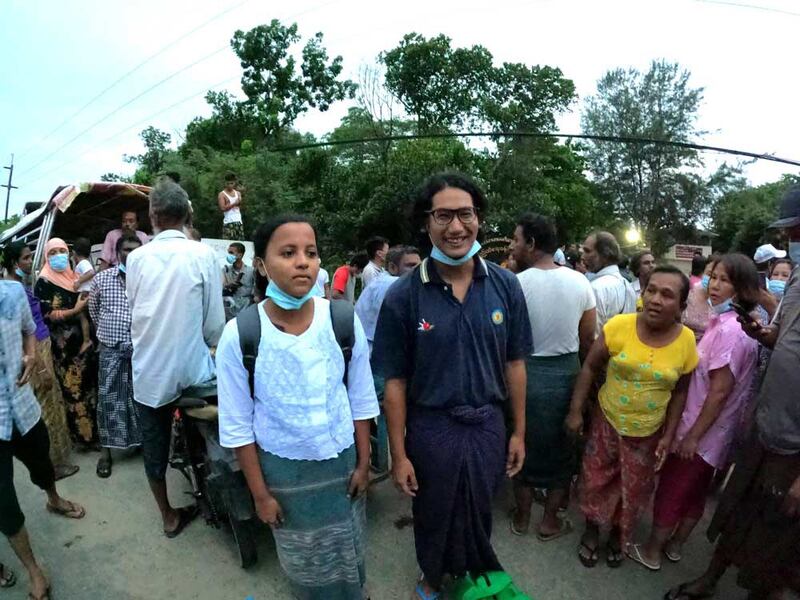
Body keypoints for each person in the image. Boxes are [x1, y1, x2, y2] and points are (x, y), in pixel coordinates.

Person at [373, 173, 532, 599]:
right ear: (426, 224)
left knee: (480, 508)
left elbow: (515, 363)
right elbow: (395, 382)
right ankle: (432, 577)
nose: (456, 227)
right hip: (431, 431)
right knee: (432, 510)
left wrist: (518, 431)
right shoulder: (403, 295)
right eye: (443, 216)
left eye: (465, 214)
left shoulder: (505, 285)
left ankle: (471, 574)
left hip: (487, 426)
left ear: (479, 219)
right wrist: (399, 454)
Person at [217, 215, 379, 599]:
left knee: (348, 545)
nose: (302, 262)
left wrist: (363, 462)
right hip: (284, 476)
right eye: (287, 253)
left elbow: (360, 399)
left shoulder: (340, 320)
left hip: (341, 465)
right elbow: (239, 427)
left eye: (311, 252)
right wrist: (261, 495)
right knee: (304, 558)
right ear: (261, 264)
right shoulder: (240, 335)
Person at [664, 185, 800, 600]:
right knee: (736, 509)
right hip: (765, 427)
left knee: (775, 533)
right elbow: (786, 338)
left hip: (795, 447)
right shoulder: (796, 282)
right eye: (792, 233)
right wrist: (766, 333)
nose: (792, 242)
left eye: (797, 232)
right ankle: (709, 579)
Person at [629, 254, 759, 572]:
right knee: (694, 493)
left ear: (742, 287)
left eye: (725, 280)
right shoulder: (730, 324)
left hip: (700, 433)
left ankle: (652, 550)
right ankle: (675, 544)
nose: (715, 285)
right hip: (714, 434)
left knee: (674, 490)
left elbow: (719, 392)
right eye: (713, 277)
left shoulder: (732, 332)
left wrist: (692, 437)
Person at [565, 266, 698, 569]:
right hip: (607, 421)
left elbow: (680, 392)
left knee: (633, 488)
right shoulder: (618, 326)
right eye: (651, 290)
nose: (655, 299)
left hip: (648, 432)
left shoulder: (687, 341)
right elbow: (589, 367)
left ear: (681, 306)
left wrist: (668, 435)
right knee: (595, 479)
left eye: (667, 295)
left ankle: (615, 534)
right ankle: (590, 531)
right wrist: (575, 411)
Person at [127, 180, 225, 537]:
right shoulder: (203, 255)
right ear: (188, 215)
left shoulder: (135, 259)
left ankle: (168, 516)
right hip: (194, 373)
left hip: (150, 374)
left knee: (154, 449)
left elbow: (137, 312)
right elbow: (215, 326)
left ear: (152, 217)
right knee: (217, 424)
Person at [509, 213, 596, 540]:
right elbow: (587, 340)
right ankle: (549, 522)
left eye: (517, 240)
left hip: (524, 375)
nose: (513, 247)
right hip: (566, 376)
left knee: (521, 440)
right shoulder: (580, 282)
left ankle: (521, 517)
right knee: (563, 449)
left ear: (532, 244)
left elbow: (504, 340)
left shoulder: (516, 284)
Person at [1, 278, 86, 600]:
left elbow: (27, 330)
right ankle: (35, 571)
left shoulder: (11, 293)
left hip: (22, 406)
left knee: (42, 462)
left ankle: (54, 499)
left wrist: (31, 356)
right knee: (3, 502)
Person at [2, 243, 77, 480]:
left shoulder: (18, 286)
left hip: (41, 345)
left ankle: (55, 461)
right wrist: (40, 364)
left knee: (51, 402)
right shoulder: (12, 291)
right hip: (37, 353)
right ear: (14, 262)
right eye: (25, 258)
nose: (29, 262)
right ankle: (52, 465)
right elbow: (22, 331)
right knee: (46, 406)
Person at [88, 231, 143, 478]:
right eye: (126, 250)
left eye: (135, 250)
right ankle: (106, 454)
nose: (130, 255)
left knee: (139, 399)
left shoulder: (147, 279)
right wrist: (110, 335)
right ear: (117, 252)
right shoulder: (103, 279)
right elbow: (94, 309)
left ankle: (142, 444)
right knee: (108, 400)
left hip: (141, 351)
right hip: (111, 350)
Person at [34, 238, 98, 449]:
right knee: (73, 391)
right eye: (54, 252)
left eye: (63, 251)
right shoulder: (44, 282)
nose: (59, 256)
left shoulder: (72, 276)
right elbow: (48, 315)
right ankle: (81, 438)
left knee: (89, 388)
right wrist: (75, 311)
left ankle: (94, 436)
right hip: (64, 349)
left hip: (84, 344)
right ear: (46, 256)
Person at [355, 245, 421, 351]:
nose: (417, 270)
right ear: (392, 268)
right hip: (376, 350)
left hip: (365, 345)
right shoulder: (394, 284)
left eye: (419, 266)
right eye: (411, 266)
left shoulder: (381, 280)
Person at [581, 232, 637, 335]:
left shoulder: (596, 289)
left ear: (605, 255)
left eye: (587, 251)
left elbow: (591, 336)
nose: (583, 256)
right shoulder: (628, 286)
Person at [70, 237, 94, 355]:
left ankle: (86, 340)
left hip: (85, 294)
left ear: (74, 252)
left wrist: (79, 281)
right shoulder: (84, 263)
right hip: (87, 293)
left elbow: (91, 273)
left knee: (81, 315)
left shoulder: (83, 263)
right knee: (89, 317)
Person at [682, 256, 715, 342]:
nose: (712, 279)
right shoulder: (687, 293)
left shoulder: (725, 303)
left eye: (716, 276)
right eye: (709, 274)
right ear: (702, 273)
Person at [222, 242, 255, 321]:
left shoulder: (251, 271)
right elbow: (222, 286)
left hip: (246, 311)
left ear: (240, 255)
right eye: (228, 253)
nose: (229, 255)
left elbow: (255, 292)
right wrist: (228, 286)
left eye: (231, 253)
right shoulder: (225, 270)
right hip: (229, 312)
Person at [218, 172, 244, 240]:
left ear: (234, 183)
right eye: (228, 183)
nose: (229, 185)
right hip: (228, 222)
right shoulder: (222, 194)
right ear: (225, 183)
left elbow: (240, 206)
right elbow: (222, 208)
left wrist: (240, 202)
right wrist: (234, 204)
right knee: (228, 243)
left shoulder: (238, 193)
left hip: (238, 221)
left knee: (240, 243)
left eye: (231, 183)